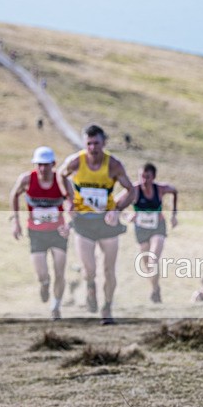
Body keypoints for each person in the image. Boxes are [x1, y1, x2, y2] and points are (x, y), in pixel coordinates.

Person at [58, 124, 135, 325]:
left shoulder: (113, 165)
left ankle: (107, 307)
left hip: (106, 223)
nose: (93, 148)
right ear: (85, 144)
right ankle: (90, 286)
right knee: (89, 268)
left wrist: (116, 210)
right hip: (83, 222)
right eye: (89, 143)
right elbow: (61, 175)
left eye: (97, 143)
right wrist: (69, 199)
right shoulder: (76, 161)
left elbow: (131, 189)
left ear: (104, 143)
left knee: (109, 269)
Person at [10, 146, 70, 320]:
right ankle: (44, 285)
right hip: (36, 233)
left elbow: (71, 203)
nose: (43, 169)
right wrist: (15, 221)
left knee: (60, 271)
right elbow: (14, 195)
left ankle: (56, 306)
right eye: (39, 165)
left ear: (53, 164)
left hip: (58, 232)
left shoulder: (61, 181)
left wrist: (69, 224)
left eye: (46, 165)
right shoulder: (27, 179)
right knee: (42, 274)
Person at [117, 163, 178, 303]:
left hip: (158, 227)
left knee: (153, 259)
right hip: (141, 229)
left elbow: (174, 191)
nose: (144, 180)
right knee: (146, 265)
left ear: (154, 177)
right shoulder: (134, 189)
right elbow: (115, 203)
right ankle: (155, 289)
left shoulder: (160, 189)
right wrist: (127, 216)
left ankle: (155, 291)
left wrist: (174, 214)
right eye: (141, 176)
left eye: (147, 177)